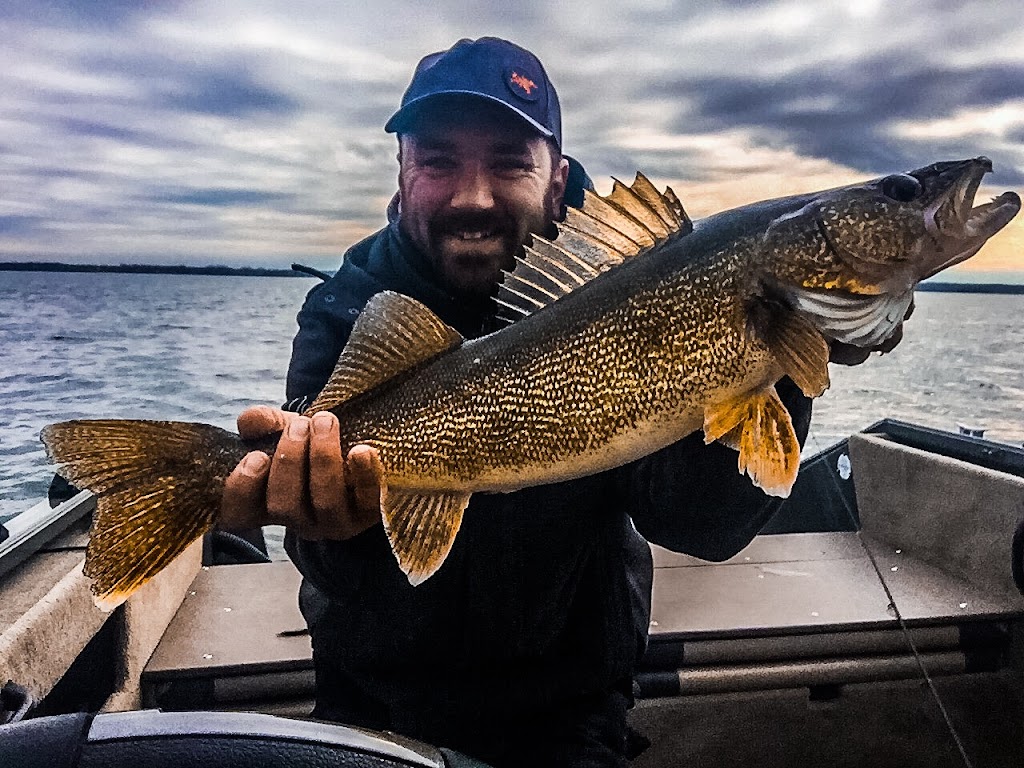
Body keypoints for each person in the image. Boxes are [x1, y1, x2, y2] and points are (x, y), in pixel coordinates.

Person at [219, 37, 901, 767]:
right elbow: (327, 563)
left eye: (510, 161)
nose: (472, 195)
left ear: (557, 181)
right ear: (402, 174)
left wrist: (782, 362)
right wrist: (330, 530)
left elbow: (701, 524)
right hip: (370, 702)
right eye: (439, 160)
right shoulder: (348, 311)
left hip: (568, 714)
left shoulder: (636, 291)